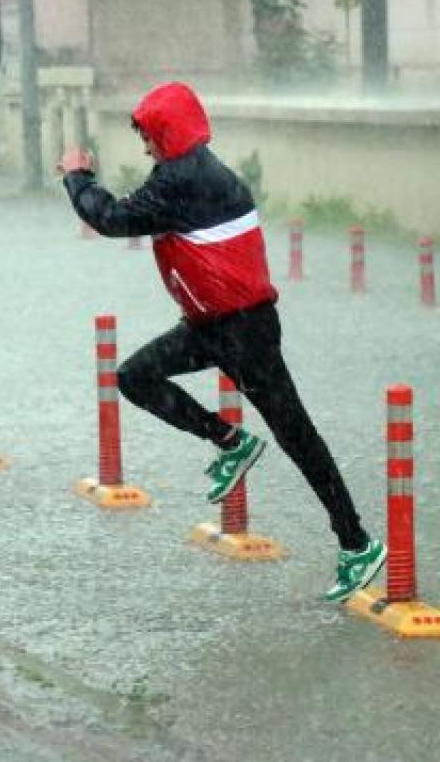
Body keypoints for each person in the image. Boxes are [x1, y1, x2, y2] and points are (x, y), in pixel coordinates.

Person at [57, 81, 385, 603]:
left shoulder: (183, 181)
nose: (145, 147)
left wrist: (77, 176)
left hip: (244, 331)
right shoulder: (195, 169)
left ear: (168, 132)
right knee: (134, 376)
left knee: (299, 438)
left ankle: (357, 543)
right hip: (210, 326)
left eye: (149, 136)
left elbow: (112, 218)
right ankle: (231, 441)